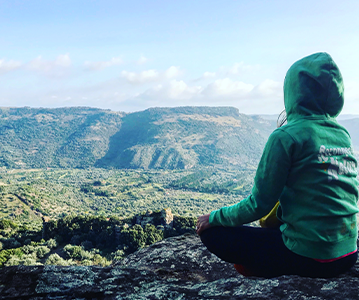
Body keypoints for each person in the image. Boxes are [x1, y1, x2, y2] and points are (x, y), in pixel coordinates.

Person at [196, 52, 359, 278]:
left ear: (293, 91)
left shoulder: (286, 136)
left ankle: (262, 269)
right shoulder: (342, 135)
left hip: (311, 258)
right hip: (348, 254)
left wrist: (212, 217)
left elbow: (258, 204)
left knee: (214, 234)